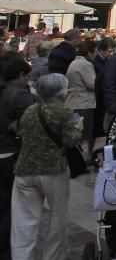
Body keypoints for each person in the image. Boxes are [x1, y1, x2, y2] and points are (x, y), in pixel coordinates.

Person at [11, 74, 82, 260]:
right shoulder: (64, 111)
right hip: (53, 170)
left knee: (23, 221)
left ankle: (21, 256)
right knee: (57, 220)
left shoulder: (30, 110)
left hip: (25, 169)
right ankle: (54, 256)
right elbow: (69, 140)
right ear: (60, 91)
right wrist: (78, 127)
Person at [0, 57, 33, 260]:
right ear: (20, 75)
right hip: (8, 153)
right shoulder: (18, 95)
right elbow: (37, 116)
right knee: (8, 205)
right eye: (27, 76)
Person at [65, 39, 97, 163]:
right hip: (83, 101)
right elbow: (92, 84)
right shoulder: (85, 64)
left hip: (73, 101)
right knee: (83, 134)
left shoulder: (74, 62)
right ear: (90, 52)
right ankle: (81, 160)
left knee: (77, 132)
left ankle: (76, 160)